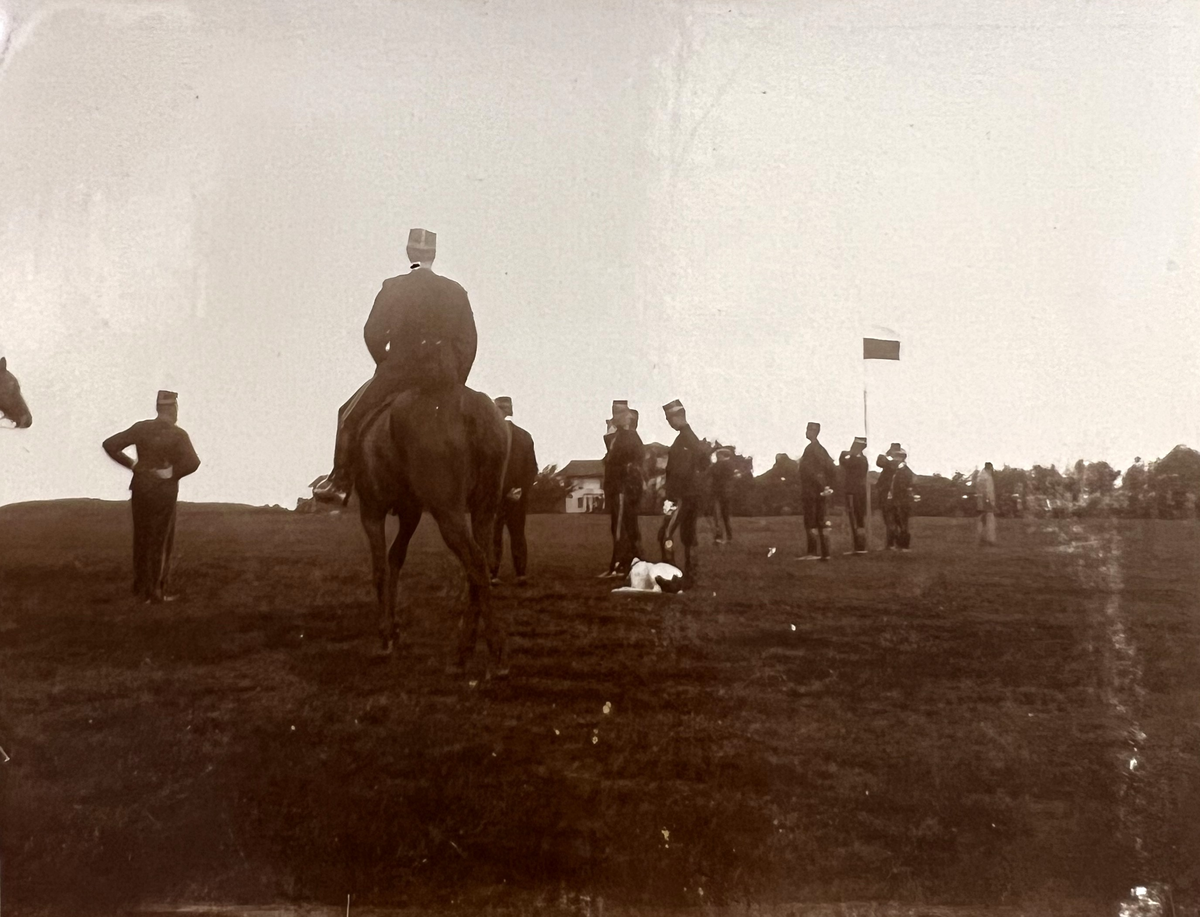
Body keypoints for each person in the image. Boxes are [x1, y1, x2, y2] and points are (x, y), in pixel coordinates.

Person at [315, 228, 477, 503]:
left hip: (399, 371)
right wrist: (456, 377)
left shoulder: (393, 287)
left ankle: (340, 481)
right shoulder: (456, 291)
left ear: (409, 253)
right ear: (434, 255)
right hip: (444, 375)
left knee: (347, 415)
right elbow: (469, 342)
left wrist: (385, 364)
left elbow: (372, 332)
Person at [102, 391, 201, 603]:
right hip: (164, 492)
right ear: (173, 409)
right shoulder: (178, 434)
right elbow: (193, 462)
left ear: (158, 408)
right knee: (160, 539)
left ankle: (141, 591)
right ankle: (156, 592)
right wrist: (171, 472)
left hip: (141, 488)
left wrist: (133, 465)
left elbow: (110, 444)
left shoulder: (141, 428)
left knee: (142, 537)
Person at [658, 399, 708, 587]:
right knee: (688, 535)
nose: (668, 422)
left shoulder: (684, 440)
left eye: (669, 418)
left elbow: (681, 472)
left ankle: (670, 574)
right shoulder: (692, 438)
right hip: (691, 495)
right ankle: (691, 575)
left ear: (678, 416)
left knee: (665, 534)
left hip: (680, 496)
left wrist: (670, 495)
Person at [490, 396, 538, 585]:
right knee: (517, 534)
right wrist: (520, 489)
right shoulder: (524, 436)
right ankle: (520, 574)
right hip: (516, 495)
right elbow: (532, 468)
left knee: (494, 535)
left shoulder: (489, 435)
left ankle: (492, 573)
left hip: (495, 495)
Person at [601, 402, 645, 577]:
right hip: (623, 487)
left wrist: (609, 435)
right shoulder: (627, 437)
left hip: (622, 488)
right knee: (627, 526)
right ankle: (632, 562)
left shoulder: (627, 438)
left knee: (620, 527)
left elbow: (614, 459)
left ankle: (620, 564)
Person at [798, 421, 837, 561]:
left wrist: (820, 485)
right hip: (822, 491)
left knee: (811, 521)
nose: (807, 432)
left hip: (811, 491)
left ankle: (813, 551)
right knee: (821, 520)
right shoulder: (822, 450)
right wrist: (827, 486)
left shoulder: (810, 449)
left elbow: (808, 471)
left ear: (814, 432)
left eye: (809, 430)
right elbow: (832, 469)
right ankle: (826, 552)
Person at [879, 443, 917, 550]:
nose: (894, 458)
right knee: (889, 522)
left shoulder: (906, 471)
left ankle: (904, 545)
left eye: (897, 456)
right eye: (893, 456)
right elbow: (880, 461)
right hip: (888, 499)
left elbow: (907, 486)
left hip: (901, 500)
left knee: (902, 523)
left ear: (902, 458)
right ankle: (890, 544)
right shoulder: (888, 468)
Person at [839, 436, 869, 554]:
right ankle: (860, 544)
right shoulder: (863, 459)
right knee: (859, 518)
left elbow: (843, 462)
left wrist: (844, 454)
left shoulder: (855, 460)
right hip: (860, 491)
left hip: (853, 491)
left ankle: (859, 545)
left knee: (854, 518)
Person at [709, 447, 736, 544]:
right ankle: (729, 536)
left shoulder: (719, 465)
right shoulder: (730, 465)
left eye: (718, 455)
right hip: (727, 493)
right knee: (725, 516)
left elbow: (711, 472)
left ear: (723, 455)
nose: (717, 457)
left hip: (718, 493)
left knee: (717, 515)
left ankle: (719, 536)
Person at [977, 461, 997, 546]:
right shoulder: (987, 477)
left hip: (981, 501)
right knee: (989, 519)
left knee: (982, 520)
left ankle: (982, 537)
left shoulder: (980, 476)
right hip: (986, 501)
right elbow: (988, 490)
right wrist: (989, 501)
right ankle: (990, 539)